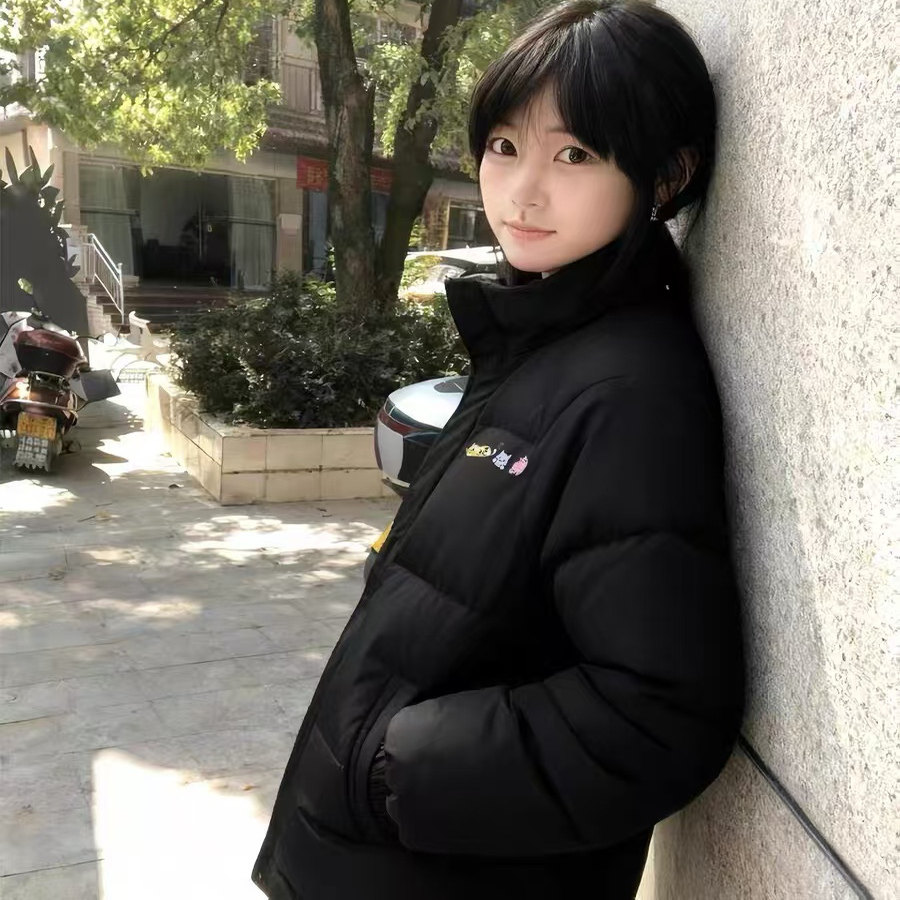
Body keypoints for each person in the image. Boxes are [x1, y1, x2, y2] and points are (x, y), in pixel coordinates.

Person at [252, 2, 744, 898]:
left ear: (667, 175)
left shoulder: (630, 388)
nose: (522, 191)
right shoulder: (543, 336)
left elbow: (659, 712)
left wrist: (398, 767)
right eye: (505, 146)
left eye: (575, 155)